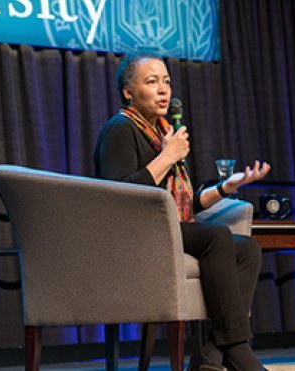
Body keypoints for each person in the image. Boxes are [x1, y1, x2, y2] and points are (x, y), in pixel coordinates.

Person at [94, 53, 270, 371]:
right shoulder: (120, 130)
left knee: (247, 249)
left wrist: (225, 188)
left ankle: (213, 353)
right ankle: (237, 349)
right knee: (216, 236)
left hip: (165, 229)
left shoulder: (163, 132)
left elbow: (186, 204)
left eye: (166, 82)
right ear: (128, 91)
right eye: (151, 82)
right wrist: (167, 156)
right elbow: (117, 197)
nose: (163, 90)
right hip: (135, 236)